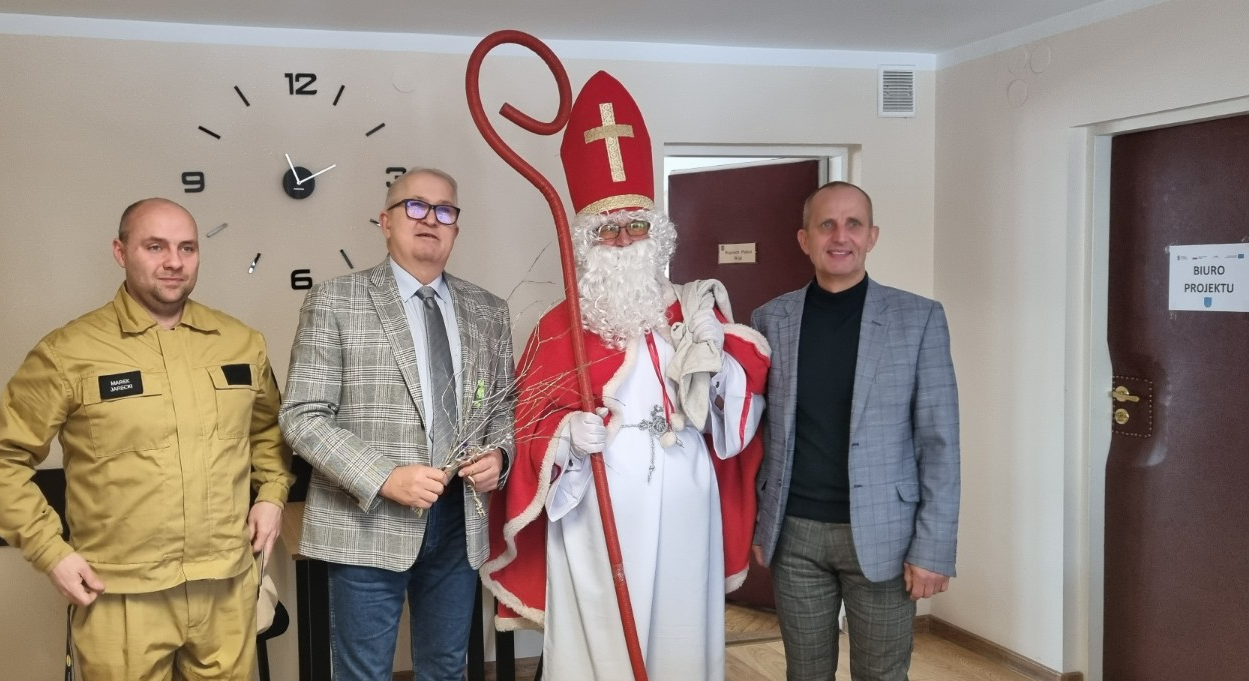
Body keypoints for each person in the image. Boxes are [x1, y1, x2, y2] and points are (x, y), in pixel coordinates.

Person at [482, 71, 770, 681]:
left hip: (687, 495)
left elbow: (738, 415)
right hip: (596, 502)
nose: (621, 239)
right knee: (605, 633)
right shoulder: (558, 327)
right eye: (606, 229)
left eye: (635, 225)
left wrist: (716, 362)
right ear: (586, 242)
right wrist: (564, 434)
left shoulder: (692, 311)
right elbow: (524, 424)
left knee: (680, 628)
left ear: (655, 234)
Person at [0, 197, 293, 680]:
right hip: (121, 596)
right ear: (120, 252)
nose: (174, 262)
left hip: (225, 587)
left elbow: (268, 429)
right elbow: (0, 458)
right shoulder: (69, 352)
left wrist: (271, 494)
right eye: (155, 247)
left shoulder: (241, 343)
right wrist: (51, 553)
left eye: (187, 248)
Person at [278, 168, 516, 680]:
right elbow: (301, 416)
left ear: (456, 228)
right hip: (367, 519)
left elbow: (502, 408)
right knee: (363, 673)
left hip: (459, 521)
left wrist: (500, 455)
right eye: (415, 206)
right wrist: (384, 476)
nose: (430, 219)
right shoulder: (335, 300)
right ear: (385, 222)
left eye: (444, 210)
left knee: (446, 669)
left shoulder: (489, 312)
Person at [750, 181, 961, 681]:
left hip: (887, 535)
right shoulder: (769, 319)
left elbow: (940, 443)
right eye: (826, 224)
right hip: (794, 534)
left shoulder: (919, 318)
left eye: (853, 224)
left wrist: (933, 548)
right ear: (805, 239)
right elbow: (756, 432)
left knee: (882, 675)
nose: (840, 236)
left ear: (872, 236)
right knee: (805, 674)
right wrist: (759, 524)